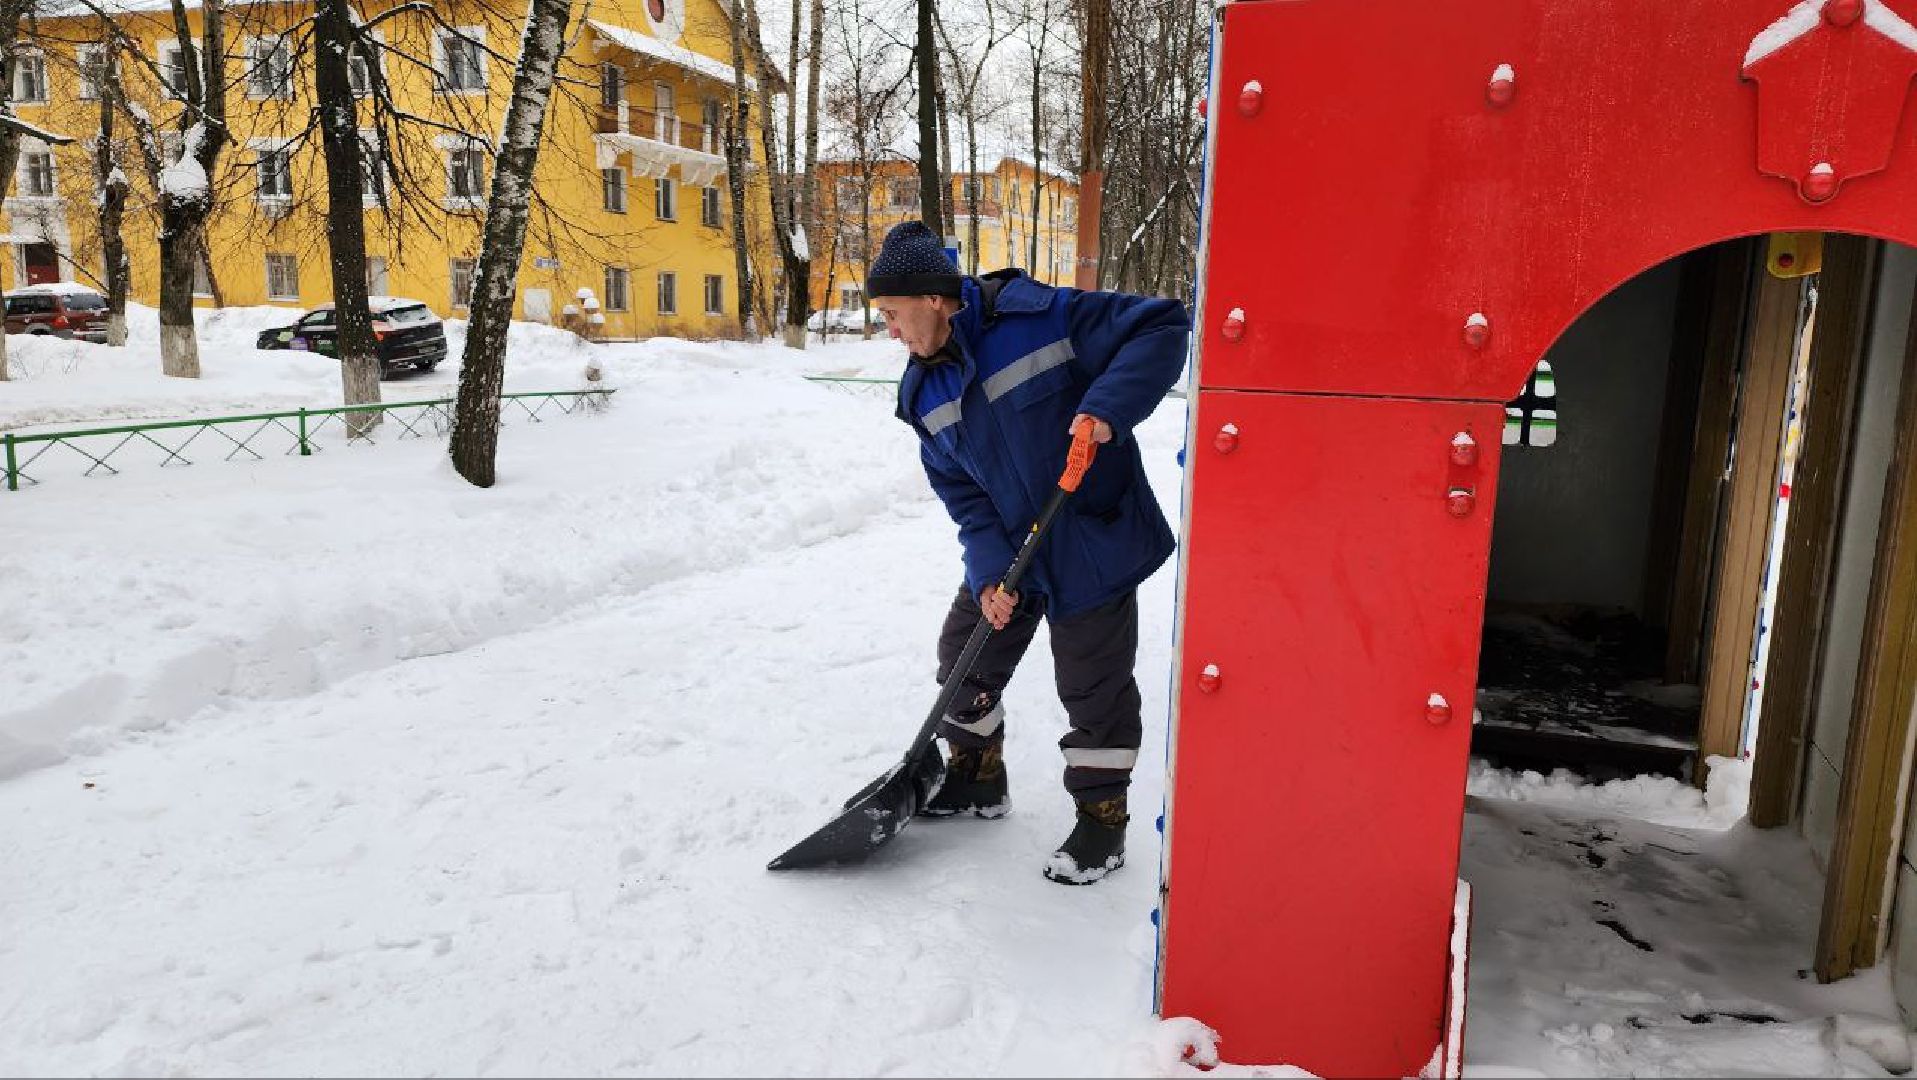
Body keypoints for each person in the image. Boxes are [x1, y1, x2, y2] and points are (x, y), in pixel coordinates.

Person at [867, 220, 1189, 885]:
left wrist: (1104, 407)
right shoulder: (921, 394)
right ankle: (977, 779)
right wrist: (988, 574)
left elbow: (1160, 325)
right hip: (1015, 545)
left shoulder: (1039, 318)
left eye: (893, 314)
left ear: (933, 298)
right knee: (963, 657)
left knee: (1092, 688)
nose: (890, 332)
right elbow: (966, 499)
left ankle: (1102, 822)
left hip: (1090, 536)